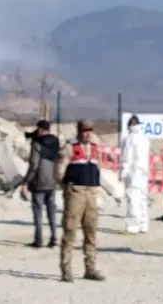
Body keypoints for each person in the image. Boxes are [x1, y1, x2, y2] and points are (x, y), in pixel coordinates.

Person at [55, 119, 105, 283]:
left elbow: (99, 168)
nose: (88, 133)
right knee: (70, 232)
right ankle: (66, 269)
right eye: (85, 130)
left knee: (91, 232)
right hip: (76, 192)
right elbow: (59, 170)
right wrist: (66, 187)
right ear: (79, 131)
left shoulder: (95, 148)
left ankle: (90, 268)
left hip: (91, 193)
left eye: (90, 130)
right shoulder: (70, 147)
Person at [21, 119, 61, 247]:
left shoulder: (37, 144)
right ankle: (54, 237)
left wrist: (26, 181)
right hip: (52, 181)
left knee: (38, 211)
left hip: (39, 181)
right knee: (51, 211)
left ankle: (38, 240)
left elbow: (34, 165)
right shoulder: (56, 141)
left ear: (40, 129)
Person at [119, 115, 150, 234]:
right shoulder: (144, 138)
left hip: (133, 172)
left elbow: (127, 157)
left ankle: (133, 226)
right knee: (142, 198)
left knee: (133, 199)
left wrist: (123, 172)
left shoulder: (129, 139)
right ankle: (143, 224)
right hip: (143, 172)